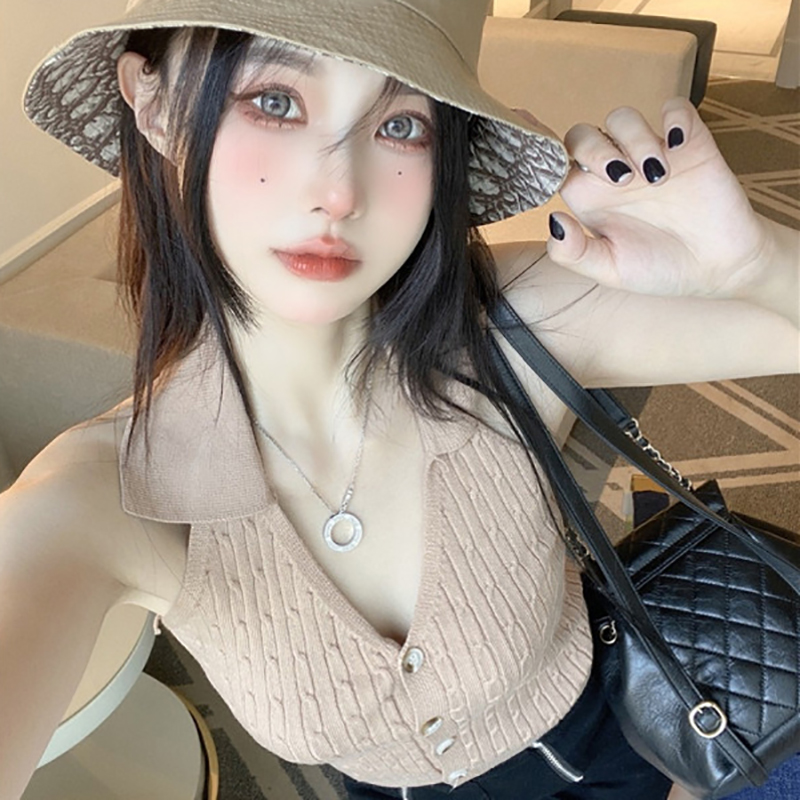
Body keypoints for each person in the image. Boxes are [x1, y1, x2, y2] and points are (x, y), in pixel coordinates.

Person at [2, 1, 797, 799]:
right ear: (156, 103)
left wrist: (752, 262)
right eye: (275, 101)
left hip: (639, 744)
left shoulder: (515, 324)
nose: (340, 193)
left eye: (400, 125)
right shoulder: (105, 493)